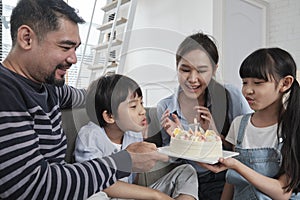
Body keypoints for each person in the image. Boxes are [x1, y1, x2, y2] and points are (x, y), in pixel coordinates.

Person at [0, 0, 168, 199]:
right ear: (27, 38)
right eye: (65, 47)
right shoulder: (6, 92)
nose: (74, 59)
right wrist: (122, 162)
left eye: (75, 49)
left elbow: (89, 97)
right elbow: (32, 186)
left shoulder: (50, 89)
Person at [157, 32, 252, 199]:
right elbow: (171, 163)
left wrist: (216, 136)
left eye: (201, 71)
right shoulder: (165, 107)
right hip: (190, 182)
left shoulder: (231, 96)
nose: (192, 79)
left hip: (227, 179)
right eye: (185, 70)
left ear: (214, 69)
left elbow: (247, 150)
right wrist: (178, 139)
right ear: (176, 67)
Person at [75, 74, 199, 200]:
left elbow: (161, 159)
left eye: (141, 103)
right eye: (133, 106)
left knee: (186, 171)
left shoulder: (133, 133)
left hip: (130, 196)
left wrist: (179, 138)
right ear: (110, 116)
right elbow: (97, 183)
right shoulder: (90, 136)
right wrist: (156, 195)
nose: (142, 110)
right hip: (106, 195)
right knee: (94, 195)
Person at [201, 47, 300, 199]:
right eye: (245, 82)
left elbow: (282, 193)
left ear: (285, 83)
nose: (247, 90)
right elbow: (232, 180)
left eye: (258, 83)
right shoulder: (239, 125)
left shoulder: (293, 128)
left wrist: (236, 165)